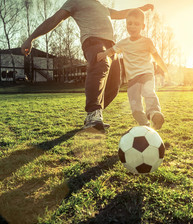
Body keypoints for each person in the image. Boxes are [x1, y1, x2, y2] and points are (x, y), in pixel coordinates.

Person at [20, 0, 154, 131]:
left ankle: (95, 114)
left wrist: (141, 8)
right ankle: (93, 113)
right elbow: (54, 19)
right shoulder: (75, 2)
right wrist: (31, 38)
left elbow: (120, 14)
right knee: (100, 65)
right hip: (93, 41)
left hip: (111, 46)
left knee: (114, 85)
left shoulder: (102, 7)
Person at [97, 8, 168, 130]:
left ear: (143, 26)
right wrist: (103, 54)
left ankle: (154, 114)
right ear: (126, 25)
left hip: (147, 74)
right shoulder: (123, 43)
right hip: (132, 80)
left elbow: (156, 56)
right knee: (135, 106)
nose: (133, 26)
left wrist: (164, 69)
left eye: (136, 24)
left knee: (148, 92)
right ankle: (144, 124)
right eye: (129, 23)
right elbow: (112, 50)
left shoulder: (147, 42)